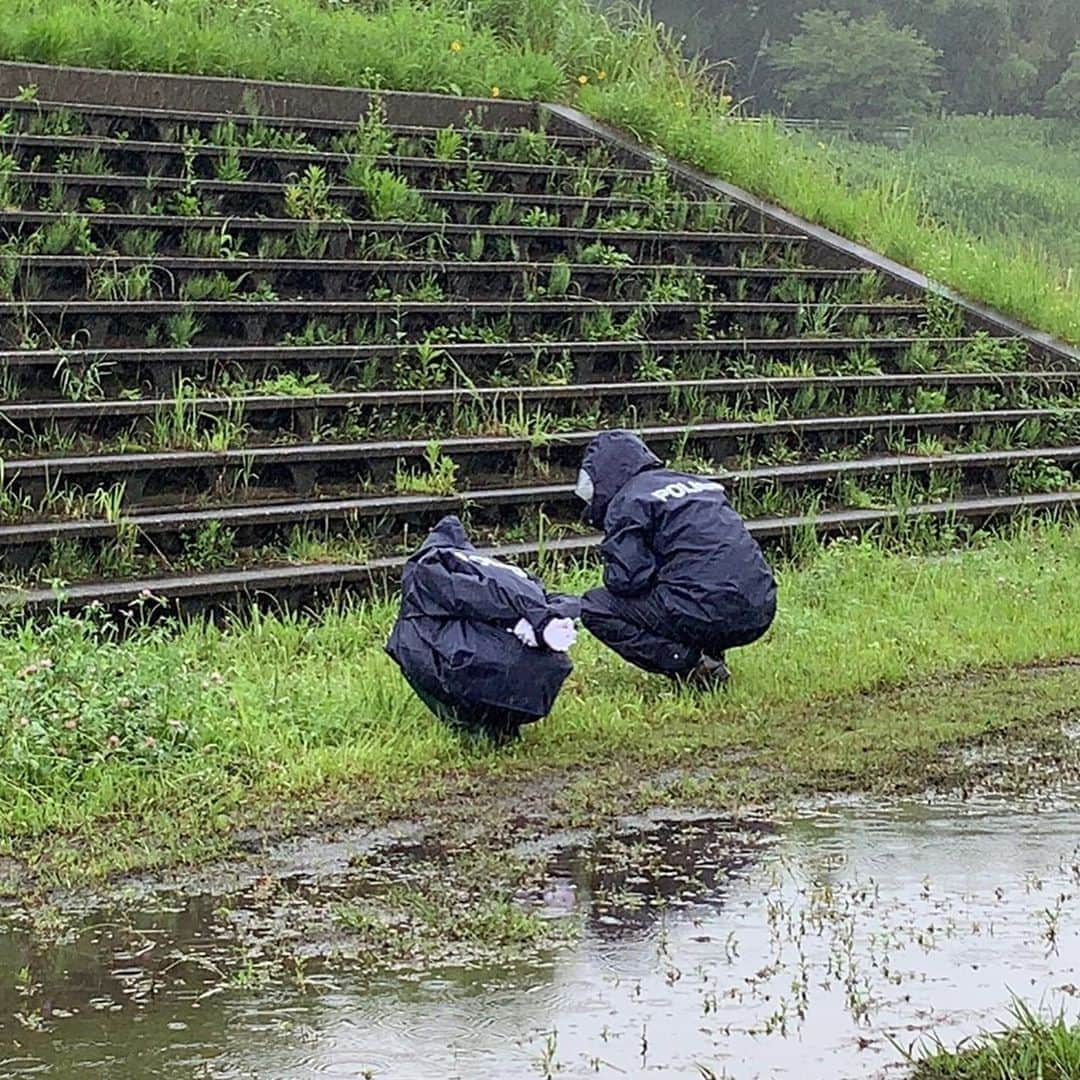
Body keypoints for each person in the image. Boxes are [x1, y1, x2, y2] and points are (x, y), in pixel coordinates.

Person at [575, 430, 776, 687]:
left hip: (706, 610)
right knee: (687, 578)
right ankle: (710, 656)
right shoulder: (698, 484)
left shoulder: (628, 501)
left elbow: (627, 580)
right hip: (759, 606)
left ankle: (692, 666)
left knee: (595, 606)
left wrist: (612, 555)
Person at [386, 515, 580, 743]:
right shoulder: (499, 567)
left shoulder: (429, 562)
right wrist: (542, 619)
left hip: (480, 660)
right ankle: (502, 726)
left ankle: (473, 727)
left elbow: (467, 594)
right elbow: (557, 598)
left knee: (405, 637)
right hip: (542, 664)